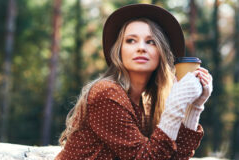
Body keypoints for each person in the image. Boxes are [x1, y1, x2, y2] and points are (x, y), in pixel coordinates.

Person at [55, 3, 213, 160]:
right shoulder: (106, 93)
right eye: (131, 40)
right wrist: (177, 102)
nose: (141, 48)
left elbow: (175, 157)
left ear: (162, 53)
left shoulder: (146, 104)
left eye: (151, 42)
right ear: (119, 51)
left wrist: (194, 107)